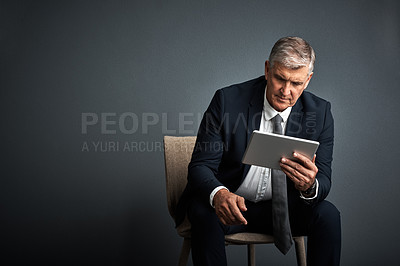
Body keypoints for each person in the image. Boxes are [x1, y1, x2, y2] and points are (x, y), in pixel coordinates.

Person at [175, 36, 341, 266]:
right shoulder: (227, 101)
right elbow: (200, 166)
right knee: (203, 211)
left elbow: (324, 178)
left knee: (328, 215)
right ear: (267, 69)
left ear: (308, 80)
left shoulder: (320, 113)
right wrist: (220, 194)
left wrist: (309, 186)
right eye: (280, 79)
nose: (286, 91)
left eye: (296, 84)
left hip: (285, 212)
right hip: (232, 205)